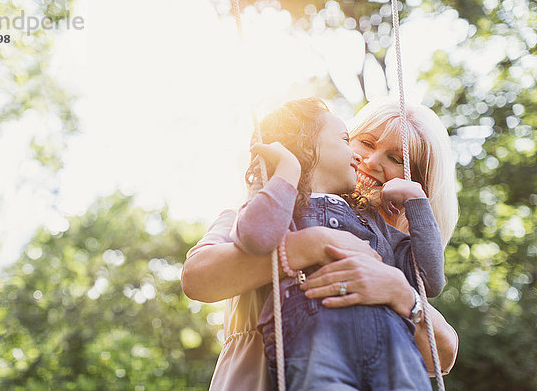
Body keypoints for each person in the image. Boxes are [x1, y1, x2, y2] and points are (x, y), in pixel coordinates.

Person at [181, 98, 459, 390]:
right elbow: (197, 278)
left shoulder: (391, 252)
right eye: (365, 142)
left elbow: (444, 354)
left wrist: (404, 296)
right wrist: (310, 244)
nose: (372, 162)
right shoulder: (260, 211)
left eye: (396, 159)